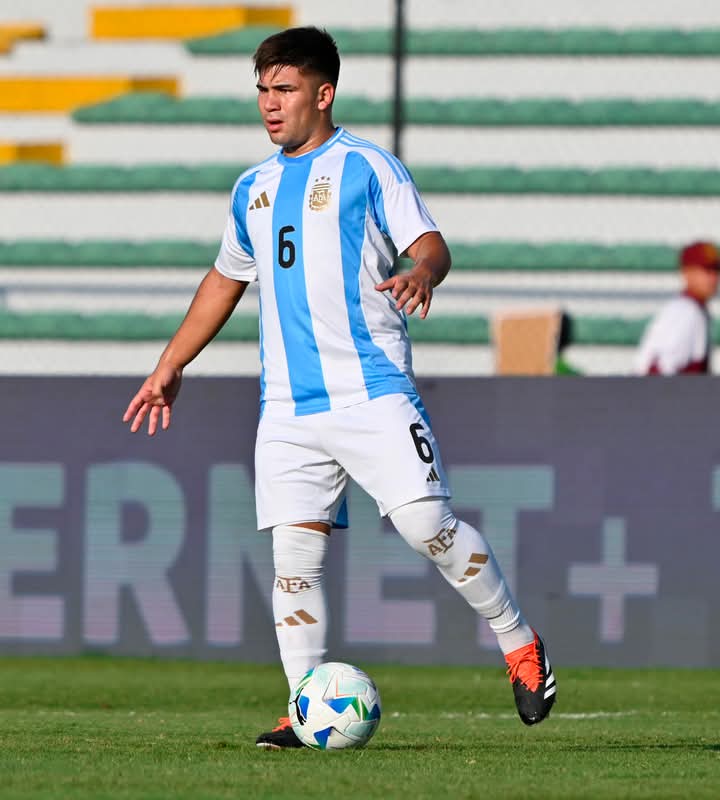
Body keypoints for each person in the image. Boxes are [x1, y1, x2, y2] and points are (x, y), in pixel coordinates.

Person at [123, 26, 556, 749]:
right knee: (293, 564)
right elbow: (226, 278)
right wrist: (171, 363)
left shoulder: (367, 166)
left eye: (285, 89)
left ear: (323, 94)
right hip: (287, 408)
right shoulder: (252, 188)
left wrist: (422, 272)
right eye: (262, 90)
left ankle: (519, 641)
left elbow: (430, 244)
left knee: (428, 528)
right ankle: (304, 707)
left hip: (371, 391)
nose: (270, 103)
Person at [634, 241, 720, 375]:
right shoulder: (686, 312)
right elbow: (660, 370)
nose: (713, 278)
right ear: (687, 272)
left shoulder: (691, 309)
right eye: (707, 271)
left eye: (716, 270)